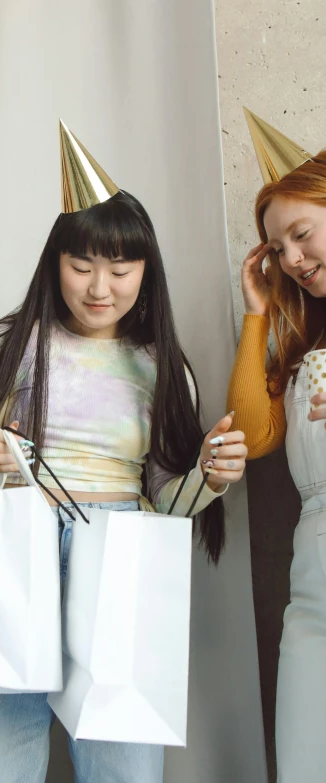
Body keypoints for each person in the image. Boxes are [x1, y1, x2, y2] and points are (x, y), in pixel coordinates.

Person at [0, 123, 246, 783]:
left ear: (145, 271)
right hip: (19, 548)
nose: (101, 285)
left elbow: (164, 499)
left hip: (122, 550)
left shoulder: (162, 365)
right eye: (82, 265)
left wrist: (210, 476)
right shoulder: (7, 347)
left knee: (123, 755)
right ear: (56, 266)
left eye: (120, 267)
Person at [227, 115, 326, 782]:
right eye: (277, 246)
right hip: (312, 578)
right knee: (302, 759)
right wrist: (258, 310)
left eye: (303, 233)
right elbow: (252, 434)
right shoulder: (302, 341)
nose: (290, 256)